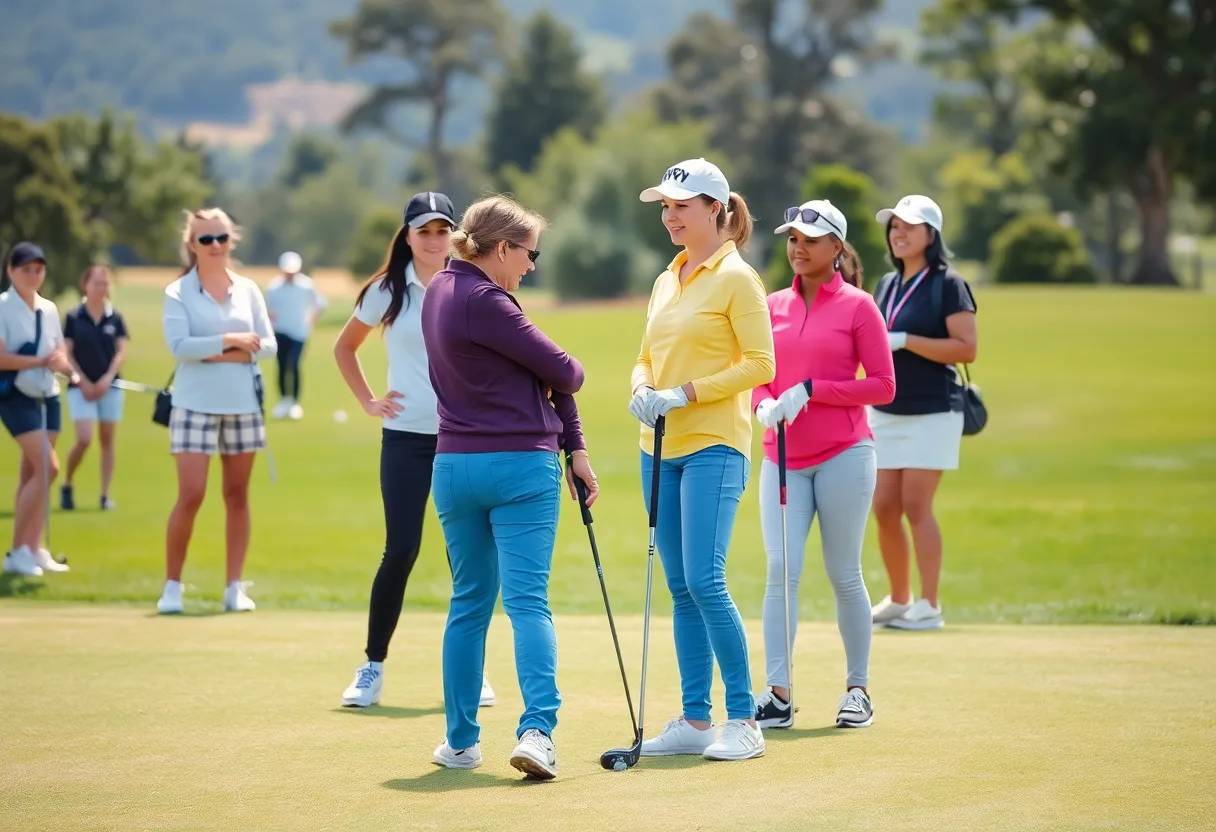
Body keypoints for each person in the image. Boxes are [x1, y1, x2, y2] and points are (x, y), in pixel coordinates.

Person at [423, 194, 598, 781]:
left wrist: (574, 443)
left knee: (468, 604)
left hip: (452, 468)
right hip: (518, 467)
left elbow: (544, 377)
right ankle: (537, 732)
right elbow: (568, 372)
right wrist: (570, 437)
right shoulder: (490, 302)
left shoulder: (437, 292)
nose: (530, 266)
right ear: (501, 248)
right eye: (528, 254)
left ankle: (460, 742)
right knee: (527, 603)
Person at [628, 158, 775, 762]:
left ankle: (744, 719)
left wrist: (684, 393)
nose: (669, 217)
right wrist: (641, 387)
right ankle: (694, 719)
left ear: (715, 208)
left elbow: (761, 365)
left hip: (714, 443)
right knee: (680, 587)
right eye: (664, 207)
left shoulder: (739, 278)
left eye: (680, 207)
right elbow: (645, 354)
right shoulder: (668, 277)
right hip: (656, 447)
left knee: (705, 580)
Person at [334, 191, 497, 711]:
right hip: (405, 436)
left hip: (460, 436)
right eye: (422, 230)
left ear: (455, 234)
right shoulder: (387, 290)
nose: (432, 239)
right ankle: (372, 666)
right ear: (406, 236)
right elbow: (345, 346)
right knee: (401, 549)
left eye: (441, 229)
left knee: (464, 557)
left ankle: (474, 669)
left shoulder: (467, 284)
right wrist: (368, 401)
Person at [750, 200, 896, 731]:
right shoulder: (771, 305)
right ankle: (779, 693)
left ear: (836, 247)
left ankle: (858, 690)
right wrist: (762, 402)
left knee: (843, 572)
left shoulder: (859, 306)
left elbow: (882, 384)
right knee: (780, 572)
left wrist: (812, 391)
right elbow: (759, 370)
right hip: (781, 456)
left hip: (845, 455)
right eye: (792, 238)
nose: (798, 247)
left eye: (810, 240)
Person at [158, 208, 277, 614]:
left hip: (242, 406)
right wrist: (232, 342)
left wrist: (215, 351)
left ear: (232, 241)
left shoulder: (248, 290)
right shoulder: (178, 292)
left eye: (221, 238)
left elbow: (270, 345)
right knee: (191, 495)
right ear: (192, 245)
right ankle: (172, 586)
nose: (215, 246)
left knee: (237, 495)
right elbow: (179, 347)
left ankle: (233, 587)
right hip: (193, 406)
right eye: (205, 240)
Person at [867, 195, 978, 631]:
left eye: (909, 227)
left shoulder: (948, 284)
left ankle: (929, 605)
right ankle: (899, 599)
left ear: (931, 235)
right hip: (887, 409)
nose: (899, 233)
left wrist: (906, 340)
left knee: (916, 504)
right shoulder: (886, 286)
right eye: (894, 226)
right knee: (883, 507)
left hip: (934, 409)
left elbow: (967, 347)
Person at [0, 242, 75, 577]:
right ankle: (16, 551)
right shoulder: (2, 307)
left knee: (34, 473)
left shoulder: (49, 308)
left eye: (38, 269)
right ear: (11, 271)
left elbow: (58, 349)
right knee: (48, 466)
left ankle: (34, 547)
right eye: (26, 269)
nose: (34, 275)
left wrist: (65, 367)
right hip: (15, 394)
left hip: (49, 393)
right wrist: (41, 361)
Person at [60, 264, 130, 512]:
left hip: (109, 387)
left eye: (105, 283)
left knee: (107, 441)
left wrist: (106, 378)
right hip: (79, 388)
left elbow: (121, 351)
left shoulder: (115, 317)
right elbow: (66, 352)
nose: (102, 287)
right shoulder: (73, 317)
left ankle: (104, 494)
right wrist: (82, 380)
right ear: (86, 284)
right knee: (84, 438)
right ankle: (67, 483)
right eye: (97, 282)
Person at [266, 251, 327, 421]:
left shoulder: (306, 285)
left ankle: (294, 403)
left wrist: (311, 320)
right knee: (282, 365)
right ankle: (283, 401)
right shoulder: (274, 287)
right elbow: (268, 310)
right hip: (280, 332)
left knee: (294, 364)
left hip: (299, 333)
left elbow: (320, 304)